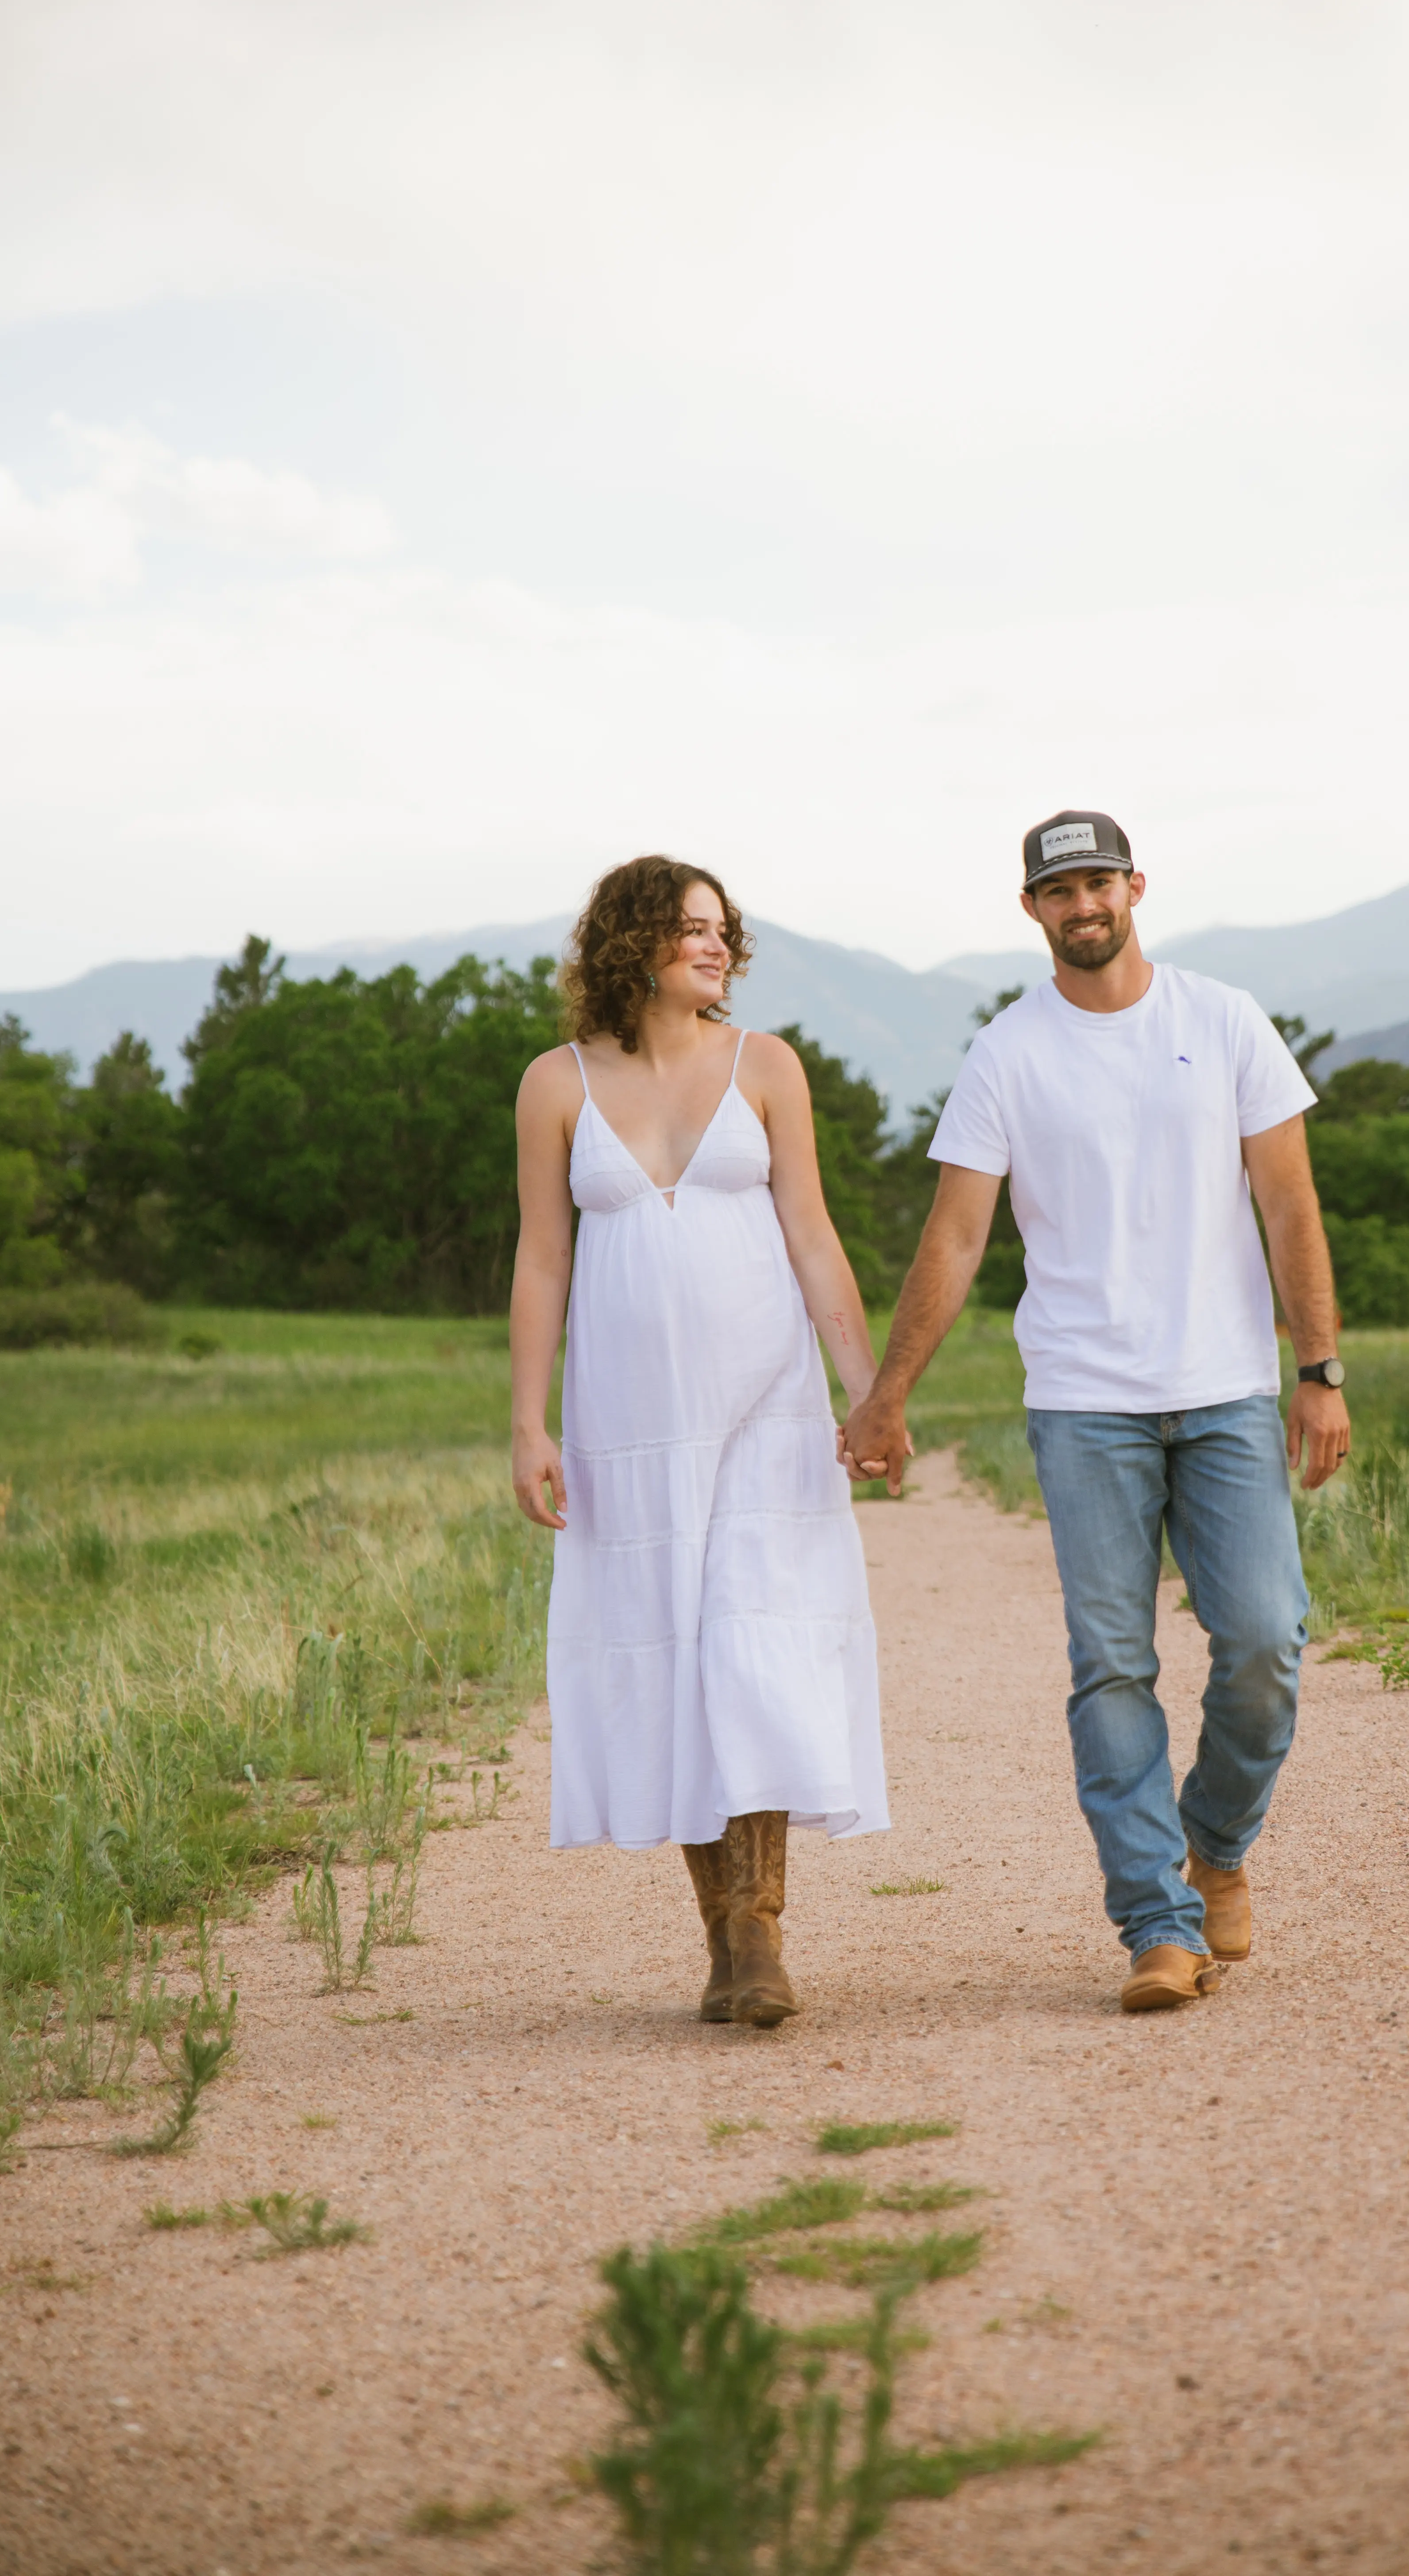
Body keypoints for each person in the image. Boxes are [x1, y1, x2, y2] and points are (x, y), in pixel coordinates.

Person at [841, 810, 1350, 2014]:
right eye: (1057, 889)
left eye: (1098, 882)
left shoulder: (1224, 1022)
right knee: (1113, 1666)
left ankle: (1213, 1845)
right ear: (1032, 910)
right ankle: (1157, 1928)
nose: (1082, 905)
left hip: (1227, 1391)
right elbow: (958, 1233)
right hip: (1084, 1405)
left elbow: (1288, 1203)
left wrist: (1320, 1371)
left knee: (1267, 1642)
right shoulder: (1007, 1055)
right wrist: (887, 1397)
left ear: (1135, 888)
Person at [510, 855, 889, 2030]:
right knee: (671, 1656)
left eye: (724, 932)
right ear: (631, 943)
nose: (717, 948)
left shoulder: (765, 1067)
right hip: (629, 1423)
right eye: (690, 931)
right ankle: (721, 1942)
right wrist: (528, 1421)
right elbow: (541, 1260)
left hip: (765, 1409)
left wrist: (868, 1391)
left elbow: (815, 1239)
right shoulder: (555, 1082)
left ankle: (759, 1930)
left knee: (751, 1652)